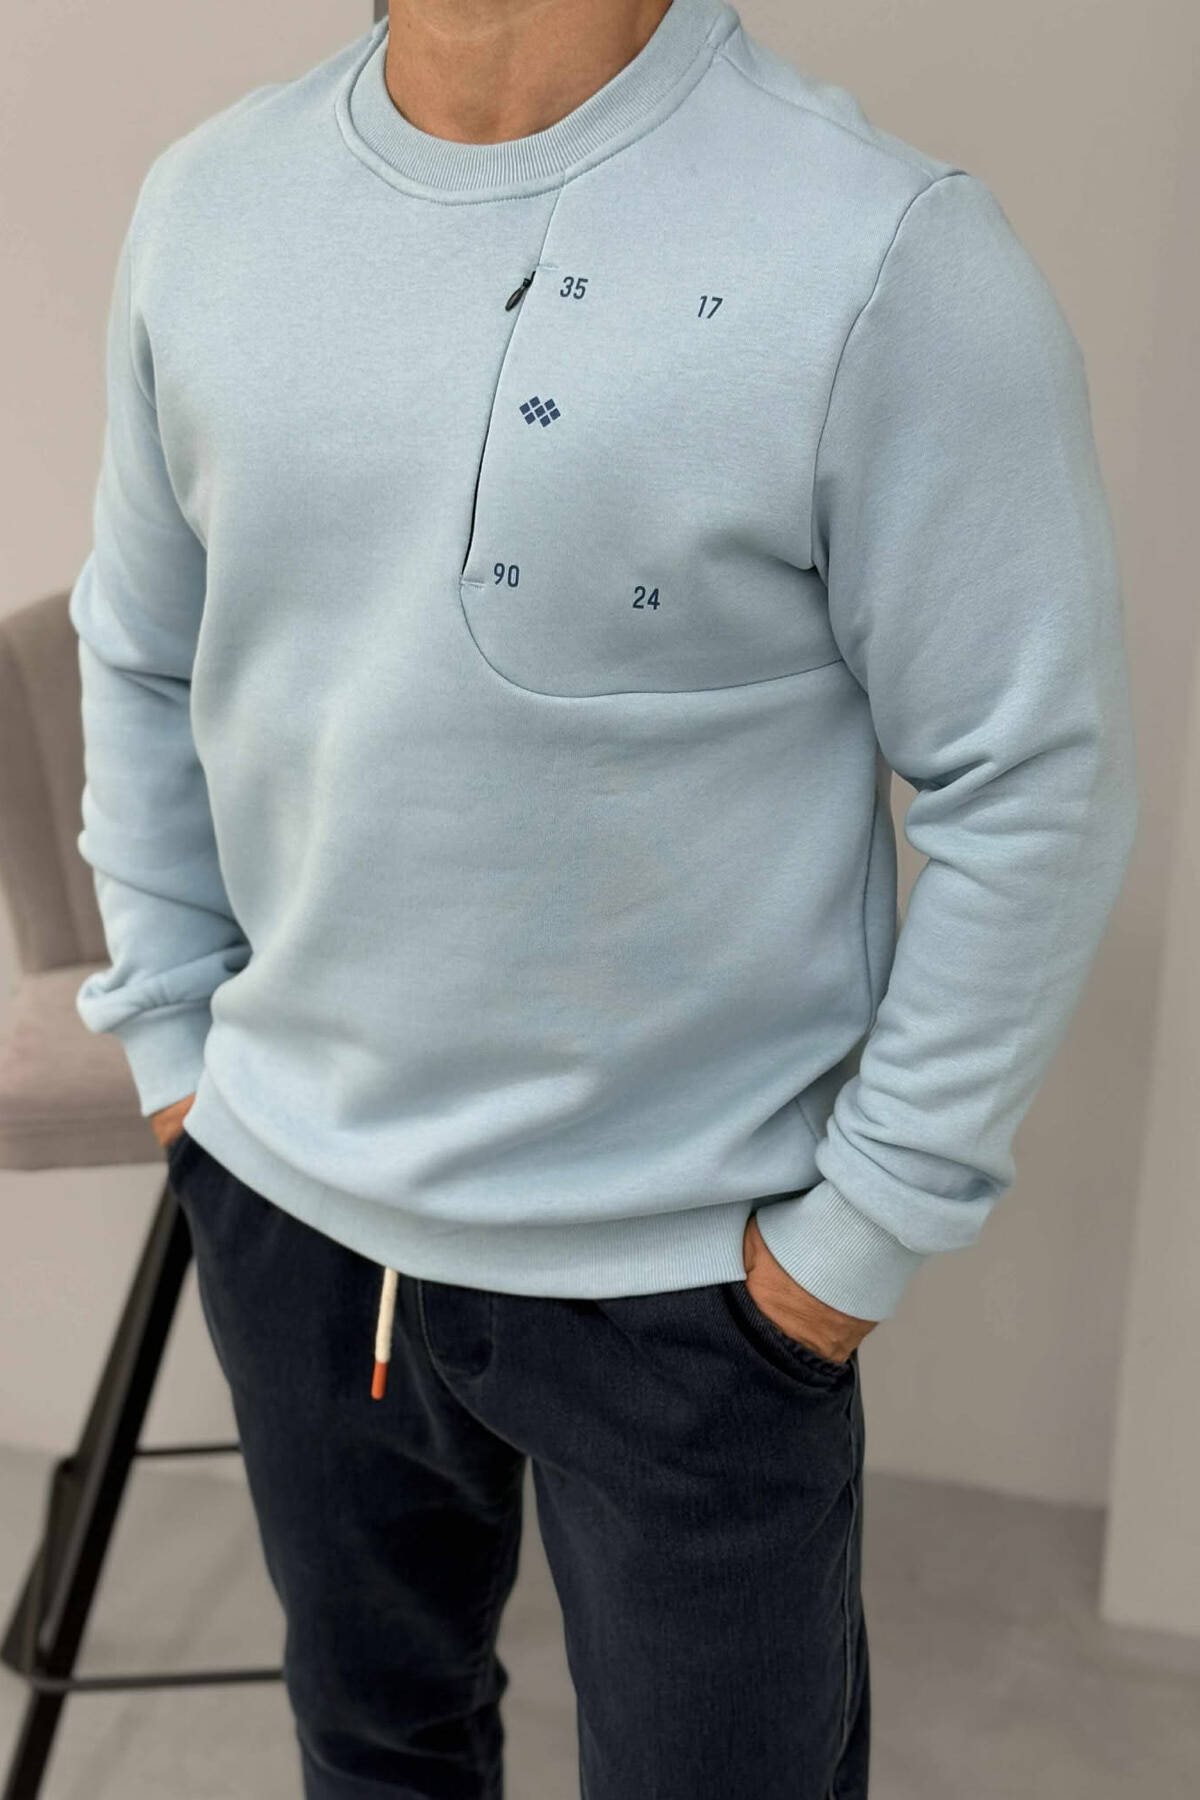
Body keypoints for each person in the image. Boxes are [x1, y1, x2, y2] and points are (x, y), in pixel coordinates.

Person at [68, 0, 1139, 1794]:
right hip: (295, 1211)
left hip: (691, 1276)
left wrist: (852, 1241)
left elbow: (1032, 777)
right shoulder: (209, 203)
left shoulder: (884, 251)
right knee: (374, 1753)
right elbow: (140, 650)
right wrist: (178, 1051)